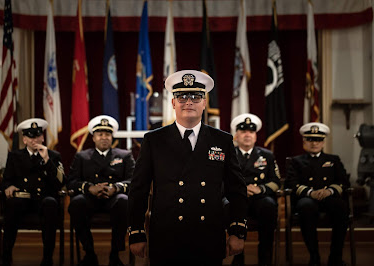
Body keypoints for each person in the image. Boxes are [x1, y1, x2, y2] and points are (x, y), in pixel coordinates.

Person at [128, 70, 248, 265]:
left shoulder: (222, 140)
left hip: (208, 234)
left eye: (196, 96)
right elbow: (138, 190)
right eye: (182, 96)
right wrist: (136, 232)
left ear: (204, 102)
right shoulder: (154, 140)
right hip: (166, 235)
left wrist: (237, 230)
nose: (189, 102)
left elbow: (237, 189)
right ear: (173, 103)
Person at [68, 115, 135, 266]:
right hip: (90, 199)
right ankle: (89, 253)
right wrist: (88, 188)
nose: (104, 137)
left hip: (114, 198)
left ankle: (115, 254)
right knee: (76, 203)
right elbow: (71, 182)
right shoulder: (82, 156)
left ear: (112, 137)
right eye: (100, 134)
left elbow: (133, 181)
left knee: (124, 201)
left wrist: (116, 188)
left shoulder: (124, 155)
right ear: (93, 138)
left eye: (107, 134)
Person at [0, 118, 66, 266]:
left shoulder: (54, 156)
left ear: (42, 137)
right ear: (24, 139)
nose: (34, 139)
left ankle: (47, 257)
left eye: (37, 136)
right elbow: (6, 181)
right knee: (12, 204)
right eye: (30, 136)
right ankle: (6, 256)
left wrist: (47, 160)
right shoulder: (15, 156)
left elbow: (61, 182)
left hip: (44, 201)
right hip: (22, 201)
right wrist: (8, 187)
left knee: (50, 204)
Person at [286, 122, 349, 266]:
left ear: (323, 142)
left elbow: (344, 181)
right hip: (307, 199)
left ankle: (335, 257)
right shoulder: (296, 161)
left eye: (318, 140)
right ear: (304, 141)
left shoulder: (333, 160)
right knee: (305, 207)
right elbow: (291, 183)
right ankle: (314, 256)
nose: (314, 143)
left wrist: (329, 190)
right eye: (310, 139)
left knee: (341, 207)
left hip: (329, 197)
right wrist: (310, 192)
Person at [230, 113, 281, 266]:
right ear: (236, 135)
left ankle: (265, 258)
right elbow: (220, 181)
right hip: (238, 199)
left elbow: (276, 182)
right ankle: (238, 257)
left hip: (260, 199)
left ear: (256, 136)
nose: (247, 135)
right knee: (232, 205)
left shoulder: (267, 155)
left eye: (251, 132)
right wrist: (240, 190)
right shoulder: (228, 155)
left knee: (269, 205)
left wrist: (260, 189)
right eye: (243, 131)